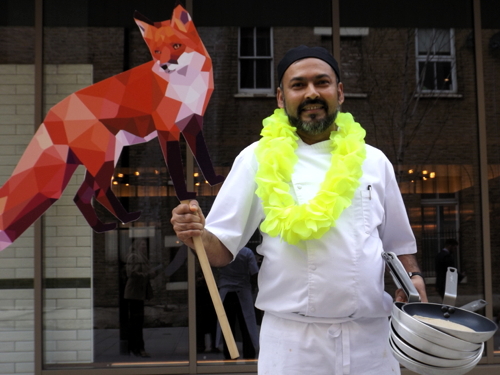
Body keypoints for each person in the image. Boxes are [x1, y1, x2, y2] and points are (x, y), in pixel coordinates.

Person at [171, 45, 427, 374]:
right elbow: (220, 250)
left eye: (322, 83)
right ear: (281, 97)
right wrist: (195, 232)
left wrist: (414, 277)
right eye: (298, 85)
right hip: (293, 345)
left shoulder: (374, 161)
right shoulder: (256, 159)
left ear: (340, 92)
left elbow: (397, 245)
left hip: (371, 342)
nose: (311, 93)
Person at [216, 246, 260, 359]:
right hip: (243, 291)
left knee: (227, 326)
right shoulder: (247, 252)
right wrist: (254, 288)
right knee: (246, 324)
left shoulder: (222, 251)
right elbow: (254, 273)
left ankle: (230, 353)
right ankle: (249, 353)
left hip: (226, 293)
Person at [124, 239, 161, 357]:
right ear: (137, 246)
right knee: (136, 322)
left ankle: (135, 348)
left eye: (145, 245)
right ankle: (137, 348)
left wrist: (152, 273)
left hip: (139, 293)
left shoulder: (142, 257)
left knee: (137, 322)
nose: (144, 247)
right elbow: (131, 273)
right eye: (143, 245)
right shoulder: (134, 257)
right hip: (134, 293)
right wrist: (147, 275)